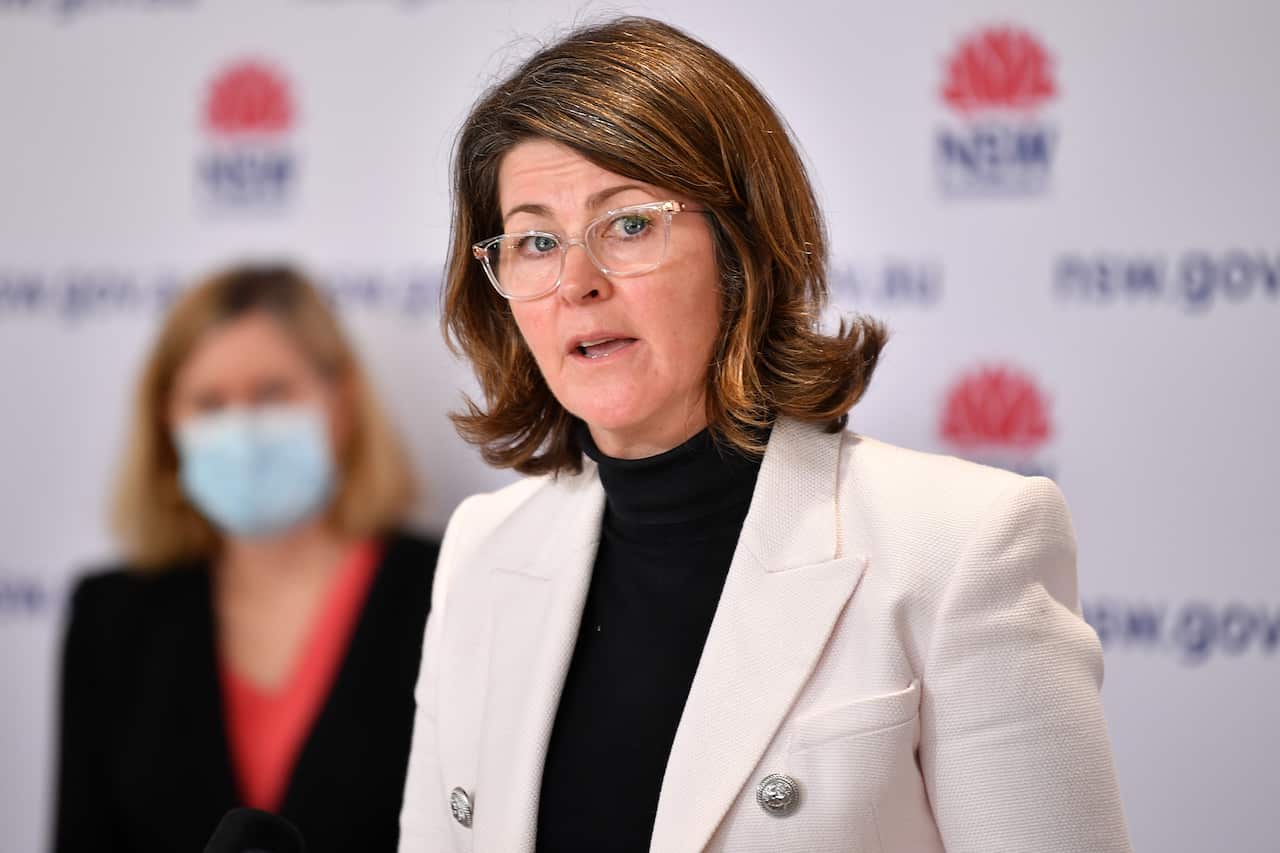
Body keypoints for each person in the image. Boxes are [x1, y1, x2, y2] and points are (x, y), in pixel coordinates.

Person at [399, 16, 1131, 853]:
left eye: (629, 224)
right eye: (536, 241)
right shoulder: (483, 548)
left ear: (740, 250)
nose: (576, 282)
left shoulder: (962, 544)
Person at [54, 265, 438, 853]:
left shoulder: (444, 589)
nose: (242, 430)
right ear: (167, 423)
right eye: (209, 403)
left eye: (272, 394)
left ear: (341, 403)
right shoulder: (111, 614)